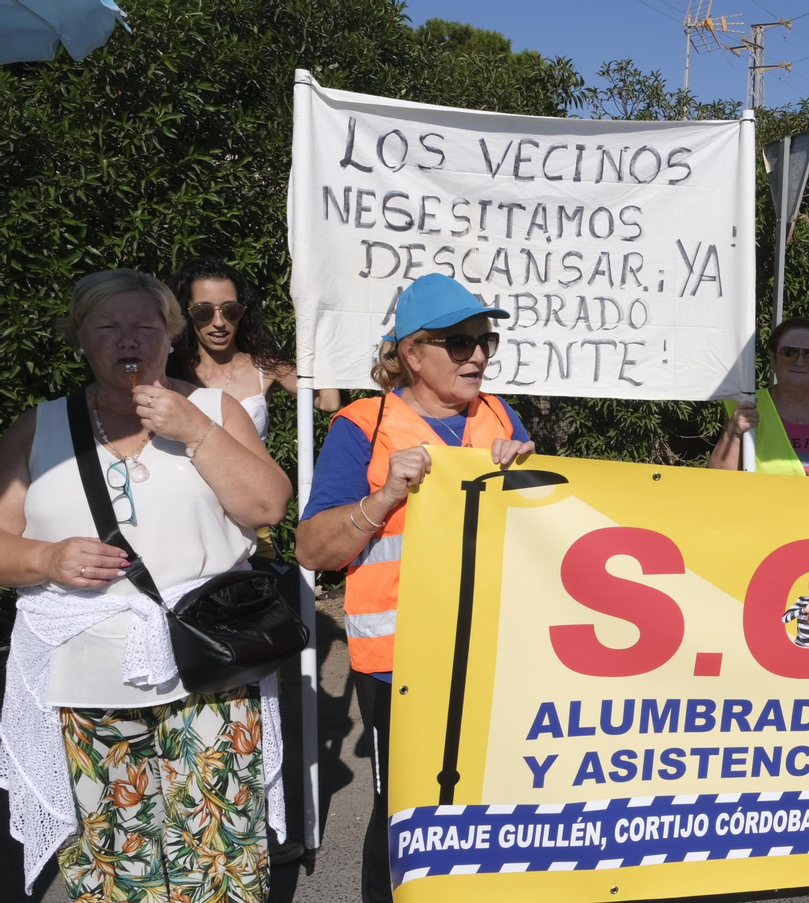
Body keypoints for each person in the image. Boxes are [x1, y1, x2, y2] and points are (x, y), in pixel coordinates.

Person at [0, 269, 293, 901]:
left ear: (170, 334)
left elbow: (268, 507)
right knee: (114, 855)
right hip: (84, 680)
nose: (127, 339)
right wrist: (47, 558)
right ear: (81, 338)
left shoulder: (214, 409)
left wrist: (195, 431)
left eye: (144, 326)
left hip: (210, 664)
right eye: (108, 326)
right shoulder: (40, 427)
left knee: (218, 847)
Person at [295, 273, 536, 903]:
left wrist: (534, 484)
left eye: (486, 340)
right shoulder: (363, 427)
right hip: (399, 665)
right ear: (412, 352)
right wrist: (383, 498)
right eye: (459, 342)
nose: (478, 355)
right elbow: (314, 548)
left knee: (486, 812)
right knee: (406, 819)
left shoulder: (500, 418)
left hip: (490, 657)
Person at [168, 256, 342, 445]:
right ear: (186, 313)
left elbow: (328, 402)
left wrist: (321, 327)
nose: (219, 322)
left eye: (230, 310)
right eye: (204, 311)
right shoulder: (170, 372)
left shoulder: (265, 367)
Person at [710, 317, 809, 480]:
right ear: (773, 358)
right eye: (789, 353)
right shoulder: (746, 406)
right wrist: (733, 432)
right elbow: (719, 482)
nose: (800, 362)